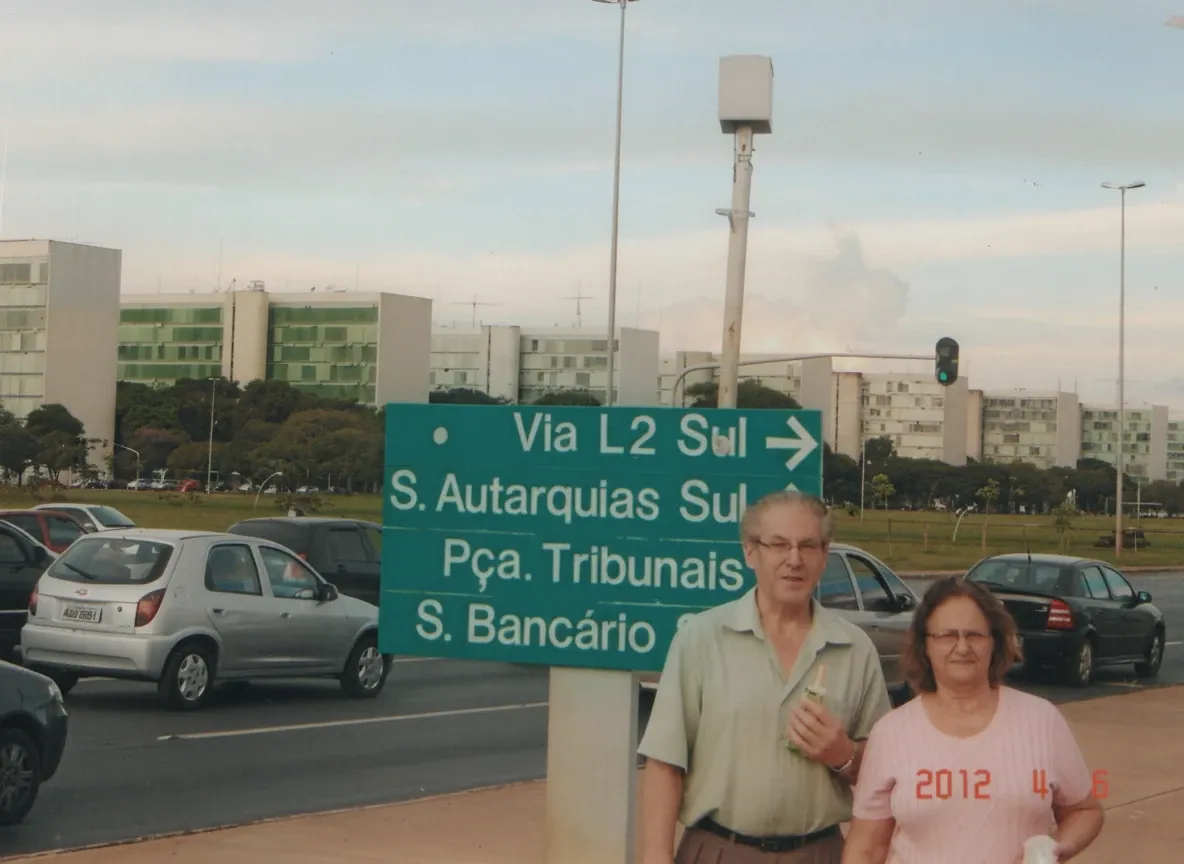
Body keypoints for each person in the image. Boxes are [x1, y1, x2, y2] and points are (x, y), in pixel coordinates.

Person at [638, 490, 893, 864]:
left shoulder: (854, 648)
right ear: (750, 551)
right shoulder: (702, 639)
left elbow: (885, 771)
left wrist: (844, 756)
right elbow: (665, 763)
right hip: (719, 850)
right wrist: (656, 857)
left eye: (808, 546)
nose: (794, 560)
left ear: (824, 555)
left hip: (818, 852)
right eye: (778, 545)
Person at [842, 576, 1105, 864]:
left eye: (975, 635)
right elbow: (866, 849)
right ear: (925, 644)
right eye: (947, 635)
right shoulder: (891, 733)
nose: (963, 647)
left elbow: (1084, 811)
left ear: (995, 641)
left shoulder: (1042, 721)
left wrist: (1056, 848)